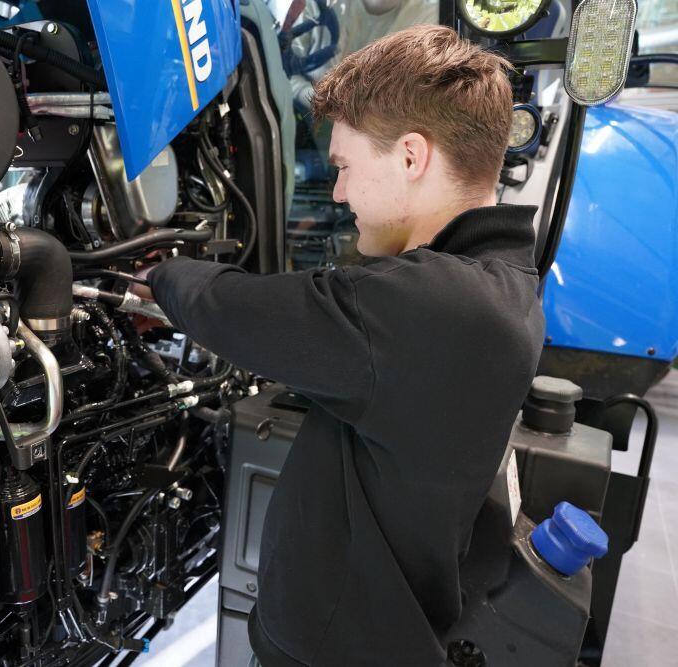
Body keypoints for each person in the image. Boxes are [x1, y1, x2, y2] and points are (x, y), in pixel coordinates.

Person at [144, 25, 545, 665]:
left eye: (344, 167)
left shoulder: (432, 304)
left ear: (411, 157)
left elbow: (230, 308)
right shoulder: (505, 283)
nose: (337, 193)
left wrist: (157, 272)